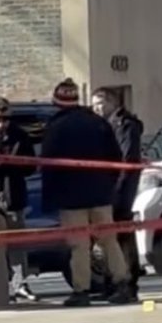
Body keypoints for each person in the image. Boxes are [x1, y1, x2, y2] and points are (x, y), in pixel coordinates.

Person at [39, 78, 134, 307]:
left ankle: (81, 291)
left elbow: (48, 165)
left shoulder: (56, 127)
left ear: (57, 102)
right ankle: (122, 284)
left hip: (71, 198)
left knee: (79, 245)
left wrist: (50, 198)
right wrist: (109, 185)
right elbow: (115, 157)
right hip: (101, 194)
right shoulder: (97, 123)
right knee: (109, 241)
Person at [0, 98, 38, 302]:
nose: (2, 123)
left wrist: (12, 163)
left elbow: (31, 167)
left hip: (13, 194)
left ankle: (20, 283)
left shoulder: (19, 136)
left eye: (6, 119)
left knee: (16, 242)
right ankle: (0, 284)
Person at [91, 87, 145, 303]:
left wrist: (117, 188)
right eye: (94, 104)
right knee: (109, 238)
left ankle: (128, 283)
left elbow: (127, 161)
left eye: (100, 104)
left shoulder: (124, 125)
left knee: (122, 236)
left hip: (121, 189)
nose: (96, 108)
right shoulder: (105, 126)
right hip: (109, 187)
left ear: (112, 103)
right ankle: (112, 282)